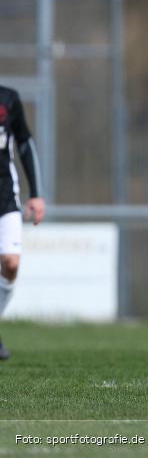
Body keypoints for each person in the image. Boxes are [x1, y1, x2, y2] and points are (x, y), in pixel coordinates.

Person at [0, 85, 46, 360]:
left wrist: (36, 194)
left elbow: (25, 143)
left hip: (5, 195)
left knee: (11, 263)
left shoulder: (8, 98)